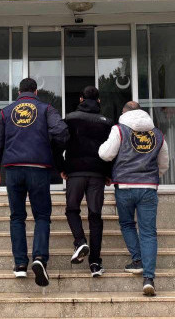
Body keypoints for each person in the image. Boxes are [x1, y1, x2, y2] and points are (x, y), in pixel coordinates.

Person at [0, 78, 69, 287]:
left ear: (18, 92)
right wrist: (52, 148)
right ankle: (39, 258)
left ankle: (20, 265)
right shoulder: (46, 109)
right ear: (36, 91)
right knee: (42, 216)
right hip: (39, 169)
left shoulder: (5, 113)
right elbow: (61, 131)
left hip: (13, 169)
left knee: (17, 217)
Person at [98, 101, 169, 296]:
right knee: (148, 232)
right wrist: (153, 177)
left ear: (124, 112)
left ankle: (137, 259)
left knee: (127, 224)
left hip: (125, 186)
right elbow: (164, 163)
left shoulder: (119, 129)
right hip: (148, 188)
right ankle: (148, 278)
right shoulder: (157, 134)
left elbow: (105, 154)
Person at [60, 86, 113, 277]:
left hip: (75, 173)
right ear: (98, 101)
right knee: (95, 216)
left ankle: (80, 241)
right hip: (97, 174)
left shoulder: (69, 119)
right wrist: (109, 173)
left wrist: (62, 167)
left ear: (81, 99)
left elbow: (58, 143)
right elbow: (112, 150)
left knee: (72, 210)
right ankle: (95, 264)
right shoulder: (107, 122)